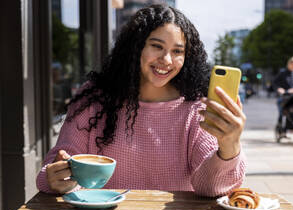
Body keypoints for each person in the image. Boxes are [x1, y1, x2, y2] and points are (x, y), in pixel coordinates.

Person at [36, 4, 246, 197]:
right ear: (135, 48)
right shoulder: (94, 99)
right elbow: (57, 166)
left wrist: (230, 146)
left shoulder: (195, 108)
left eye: (177, 51)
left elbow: (211, 187)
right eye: (157, 46)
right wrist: (56, 177)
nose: (166, 60)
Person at [272, 56, 293, 129]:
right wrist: (279, 88)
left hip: (292, 96)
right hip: (283, 96)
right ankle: (280, 129)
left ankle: (291, 128)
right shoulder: (282, 72)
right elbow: (274, 83)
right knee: (282, 113)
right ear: (289, 64)